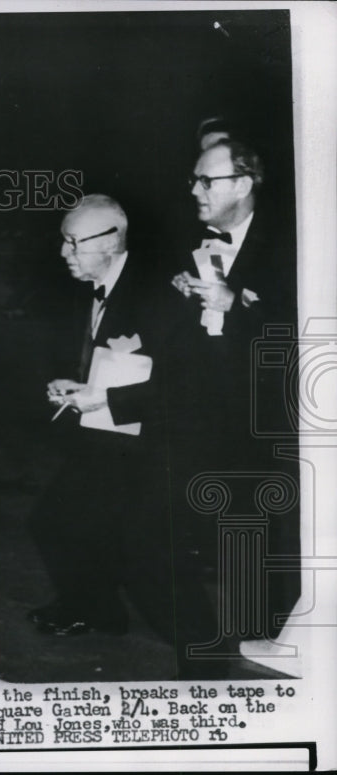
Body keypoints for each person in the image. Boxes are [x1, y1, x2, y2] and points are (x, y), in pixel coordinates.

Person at [28, 194, 219, 679]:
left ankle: (209, 665)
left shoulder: (158, 294)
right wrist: (73, 385)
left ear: (112, 241)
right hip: (108, 437)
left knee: (149, 557)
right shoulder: (89, 285)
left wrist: (107, 402)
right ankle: (96, 610)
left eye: (75, 243)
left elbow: (185, 387)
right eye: (64, 241)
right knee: (52, 522)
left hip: (160, 445)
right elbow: (100, 361)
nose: (65, 253)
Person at [168, 138, 300, 641]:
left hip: (264, 408)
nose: (195, 190)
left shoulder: (290, 241)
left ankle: (261, 631)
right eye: (194, 180)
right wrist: (187, 293)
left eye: (207, 180)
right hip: (206, 404)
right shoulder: (197, 238)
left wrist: (236, 307)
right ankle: (236, 630)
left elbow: (298, 327)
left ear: (243, 185)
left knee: (254, 523)